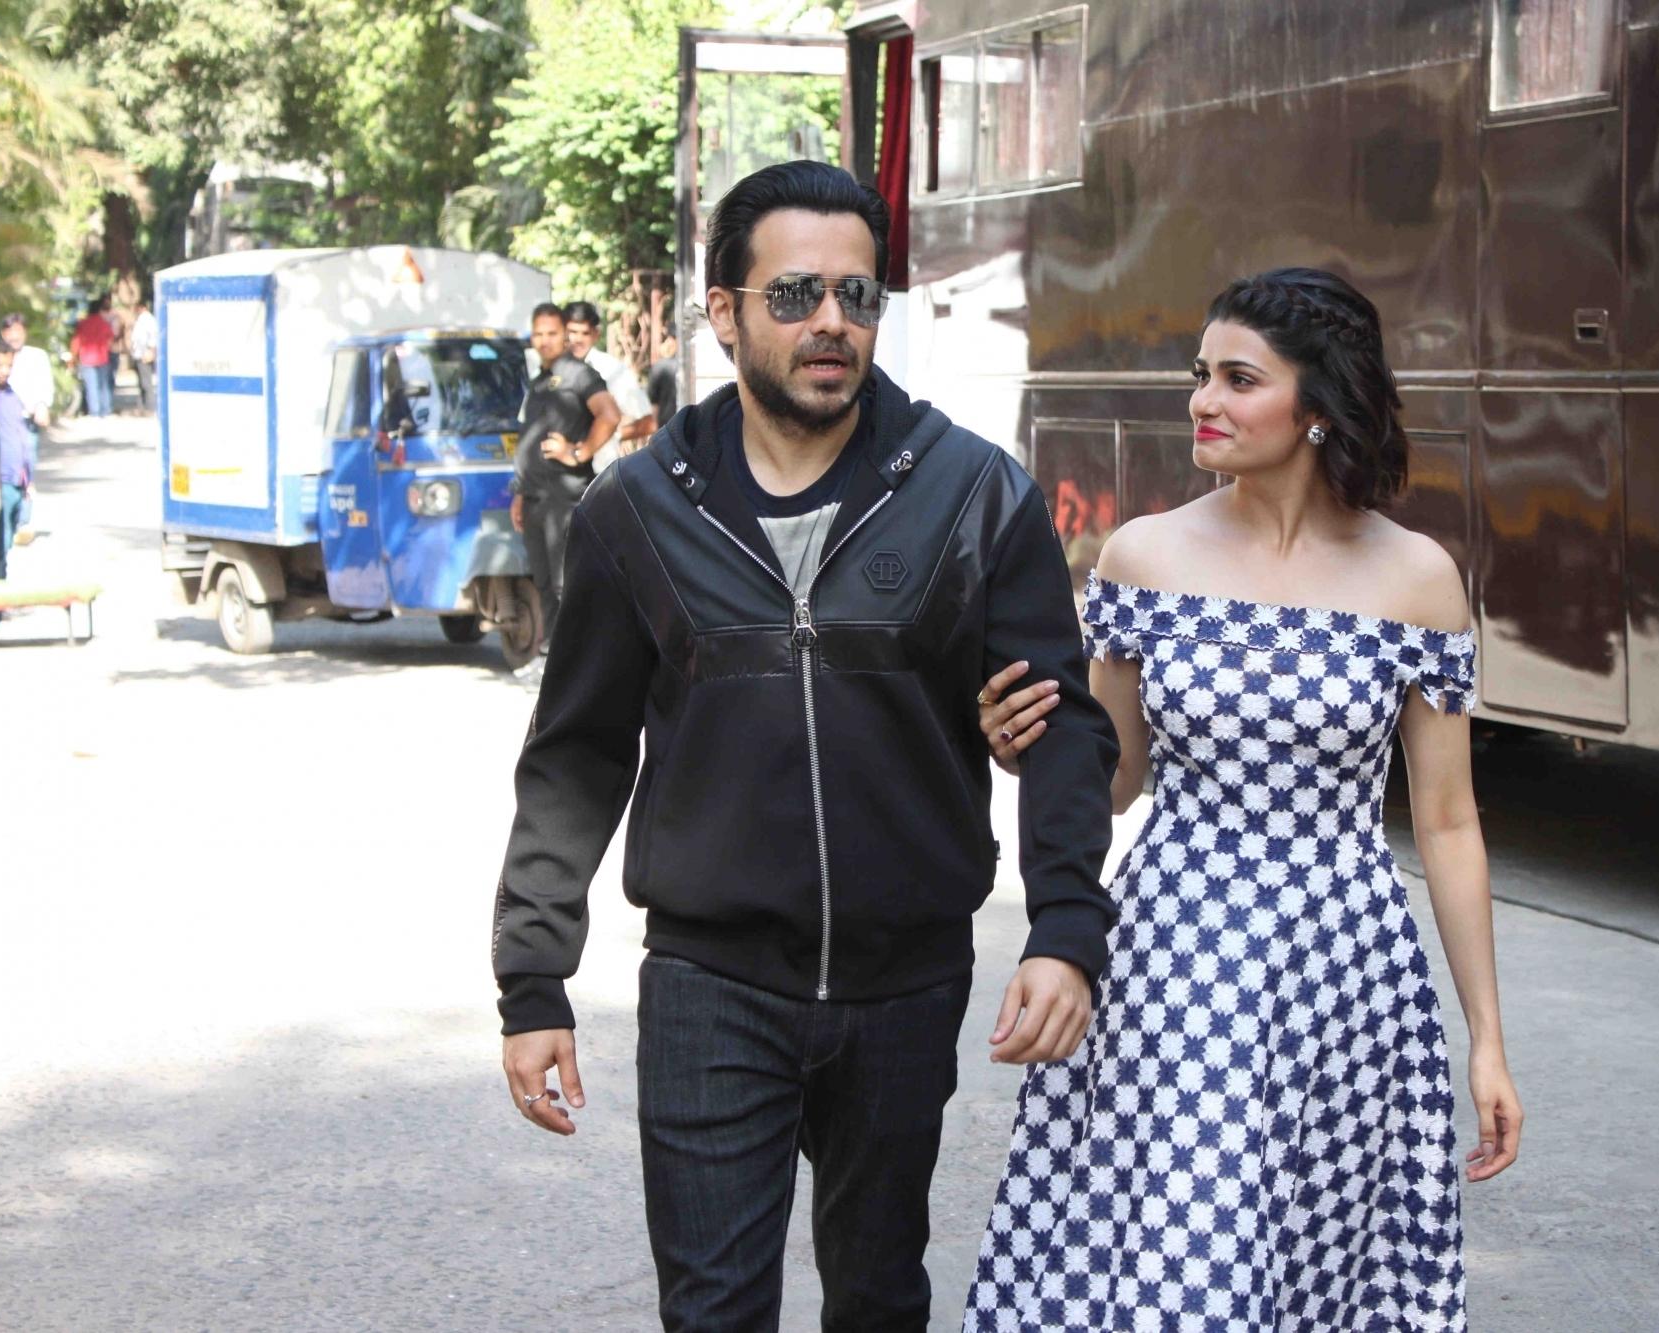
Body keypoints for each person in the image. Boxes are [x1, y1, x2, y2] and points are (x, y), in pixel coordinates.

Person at [491, 160, 1120, 1332]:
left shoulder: (971, 493)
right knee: (713, 1311)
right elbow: (576, 757)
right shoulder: (639, 510)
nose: (830, 320)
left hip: (906, 981)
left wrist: (1067, 929)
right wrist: (532, 980)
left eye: (855, 295)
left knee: (877, 1298)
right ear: (724, 313)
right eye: (793, 294)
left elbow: (1062, 727)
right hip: (709, 983)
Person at [966, 268, 1523, 1332]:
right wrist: (1021, 749)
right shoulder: (1144, 557)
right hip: (1173, 959)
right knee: (1185, 1260)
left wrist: (1485, 1038)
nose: (1202, 401)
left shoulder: (1417, 578)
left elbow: (1448, 824)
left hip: (1346, 976)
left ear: (1319, 404)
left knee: (1314, 1269)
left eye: (1238, 379)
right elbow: (1114, 777)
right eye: (1200, 375)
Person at [509, 301, 620, 680]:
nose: (544, 340)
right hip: (535, 498)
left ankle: (577, 667)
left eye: (552, 333)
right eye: (538, 334)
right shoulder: (539, 381)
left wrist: (579, 452)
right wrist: (520, 493)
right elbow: (530, 440)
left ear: (564, 335)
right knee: (543, 583)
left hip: (564, 497)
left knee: (565, 584)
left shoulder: (578, 373)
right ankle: (549, 659)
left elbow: (610, 414)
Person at [561, 299, 657, 471]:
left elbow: (649, 422)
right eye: (572, 332)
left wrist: (610, 434)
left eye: (585, 333)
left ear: (596, 335)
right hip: (555, 473)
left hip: (598, 471)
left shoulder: (611, 370)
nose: (578, 339)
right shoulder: (550, 369)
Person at [2, 315, 51, 547]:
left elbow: (45, 385)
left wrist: (42, 406)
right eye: (10, 331)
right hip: (2, 425)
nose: (14, 336)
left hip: (26, 422)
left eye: (18, 330)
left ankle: (22, 522)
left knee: (25, 469)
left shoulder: (36, 356)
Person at [0, 344, 36, 581]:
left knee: (5, 544)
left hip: (17, 477)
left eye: (9, 366)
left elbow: (22, 438)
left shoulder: (12, 396)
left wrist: (28, 478)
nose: (4, 371)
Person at [73, 300, 114, 418]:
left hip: (86, 358)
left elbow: (77, 340)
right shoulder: (104, 323)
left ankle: (94, 411)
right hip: (102, 357)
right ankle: (105, 410)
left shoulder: (83, 323)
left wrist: (74, 355)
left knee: (91, 386)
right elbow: (110, 339)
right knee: (103, 385)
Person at [646, 317, 680, 430]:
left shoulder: (660, 367)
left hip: (667, 429)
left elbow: (653, 404)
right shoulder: (699, 365)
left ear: (671, 339)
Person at [130, 301, 159, 415]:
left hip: (145, 354)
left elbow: (153, 337)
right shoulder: (140, 320)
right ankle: (141, 406)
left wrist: (151, 351)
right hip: (138, 354)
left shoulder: (148, 320)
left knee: (146, 383)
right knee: (141, 383)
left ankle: (150, 407)